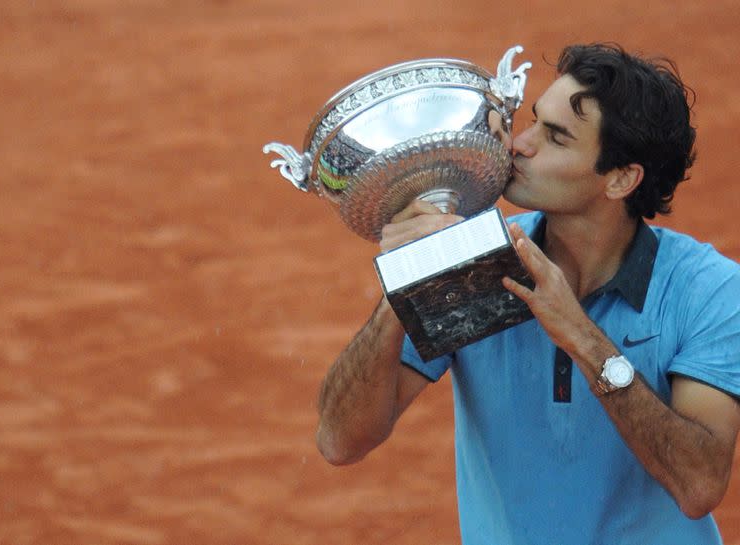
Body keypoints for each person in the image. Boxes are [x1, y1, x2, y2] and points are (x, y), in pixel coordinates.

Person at [315, 43, 740, 544]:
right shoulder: (477, 265)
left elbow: (699, 484)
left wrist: (582, 336)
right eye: (534, 120)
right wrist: (404, 286)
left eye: (555, 138)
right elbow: (340, 441)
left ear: (621, 179)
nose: (519, 143)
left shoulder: (708, 289)